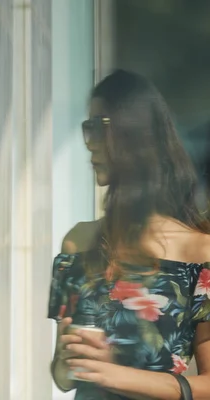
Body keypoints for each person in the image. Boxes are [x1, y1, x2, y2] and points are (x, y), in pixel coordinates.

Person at [48, 69, 210, 399]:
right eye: (86, 127)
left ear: (136, 136)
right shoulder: (77, 243)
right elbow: (62, 378)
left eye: (98, 126)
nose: (89, 142)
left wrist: (115, 376)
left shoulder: (199, 252)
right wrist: (66, 364)